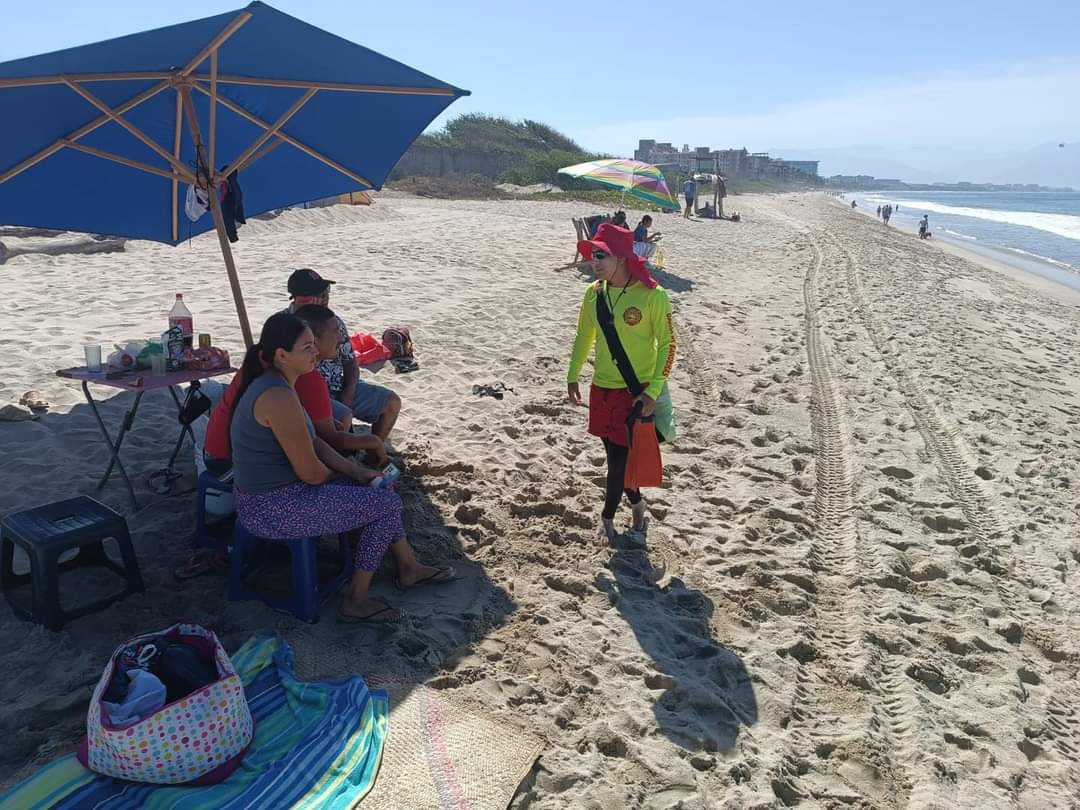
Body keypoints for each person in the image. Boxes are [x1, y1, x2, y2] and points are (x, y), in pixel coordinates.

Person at [230, 313, 453, 623]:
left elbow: (316, 442)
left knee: (379, 486)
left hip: (276, 495)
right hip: (271, 507)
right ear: (282, 355)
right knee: (386, 504)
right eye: (307, 348)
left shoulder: (280, 383)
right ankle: (356, 601)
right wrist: (344, 475)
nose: (316, 353)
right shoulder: (277, 396)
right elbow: (312, 473)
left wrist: (356, 472)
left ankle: (408, 567)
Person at [567, 223, 676, 543]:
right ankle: (639, 504)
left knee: (617, 459)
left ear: (623, 258)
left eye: (602, 254)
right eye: (592, 254)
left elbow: (669, 345)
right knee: (617, 457)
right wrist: (573, 373)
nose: (594, 261)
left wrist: (653, 391)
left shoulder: (653, 296)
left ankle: (608, 519)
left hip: (635, 393)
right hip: (601, 389)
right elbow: (584, 335)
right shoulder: (593, 294)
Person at [284, 269, 401, 441]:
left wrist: (349, 390)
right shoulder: (283, 325)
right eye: (320, 294)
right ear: (300, 298)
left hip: (338, 384)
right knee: (341, 419)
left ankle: (373, 456)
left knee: (391, 402)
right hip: (305, 395)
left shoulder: (333, 321)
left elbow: (350, 361)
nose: (326, 298)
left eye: (327, 292)